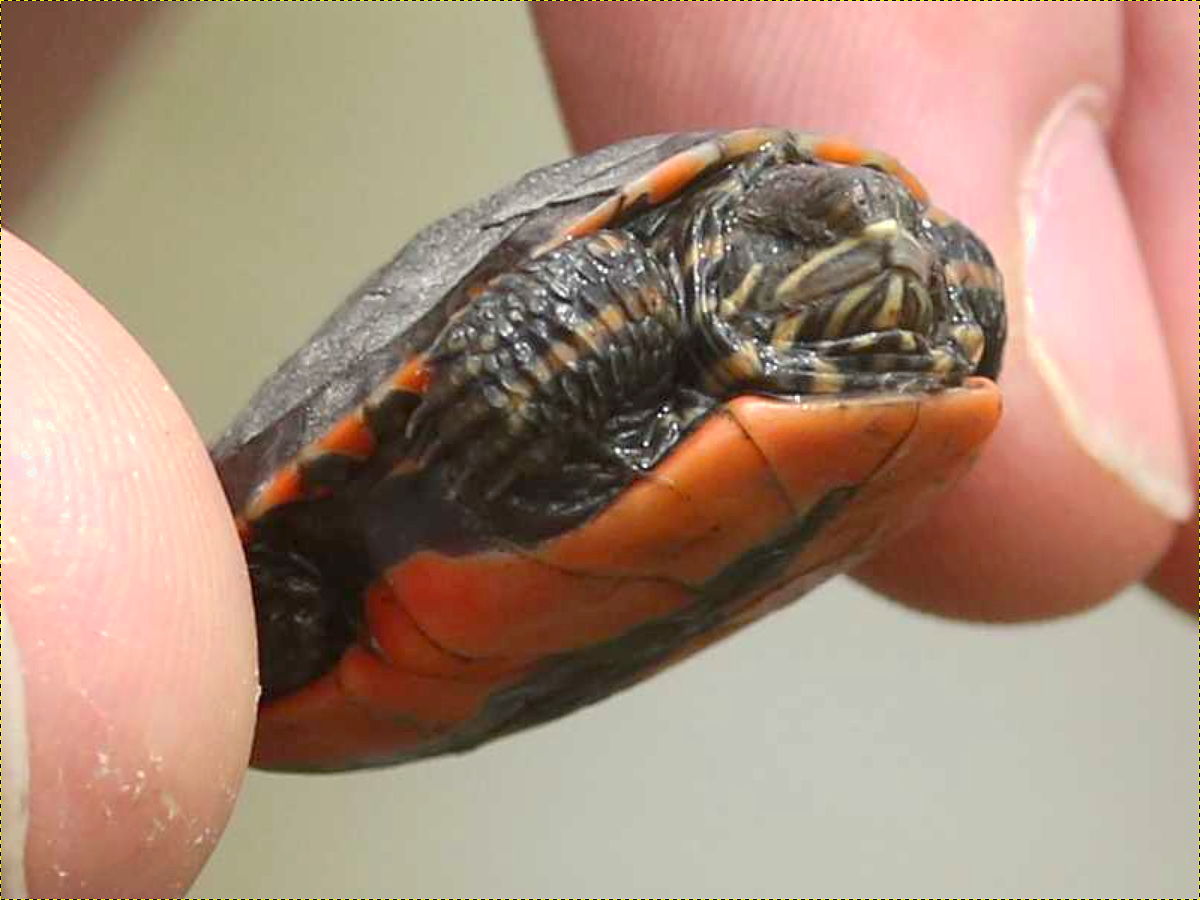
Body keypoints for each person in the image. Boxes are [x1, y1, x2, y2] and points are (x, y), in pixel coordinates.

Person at [4, 6, 1193, 896]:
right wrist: (512, 401)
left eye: (914, 246)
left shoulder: (913, 339)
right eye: (824, 232)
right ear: (748, 240)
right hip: (334, 577)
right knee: (220, 627)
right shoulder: (656, 285)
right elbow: (520, 330)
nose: (890, 249)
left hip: (453, 625)